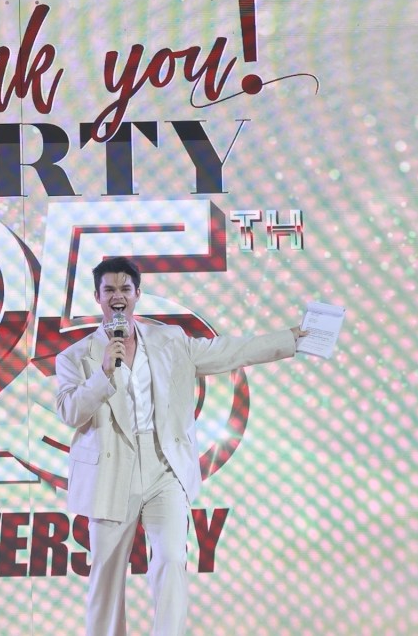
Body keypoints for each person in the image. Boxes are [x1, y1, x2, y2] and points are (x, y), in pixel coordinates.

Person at [55, 256, 308, 636]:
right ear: (98, 297)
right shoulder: (76, 356)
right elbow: (70, 412)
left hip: (164, 466)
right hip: (111, 470)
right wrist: (104, 372)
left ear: (137, 294)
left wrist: (290, 338)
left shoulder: (169, 340)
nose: (118, 296)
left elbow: (230, 350)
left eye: (125, 289)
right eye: (110, 290)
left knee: (172, 558)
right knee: (106, 575)